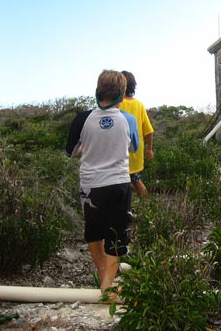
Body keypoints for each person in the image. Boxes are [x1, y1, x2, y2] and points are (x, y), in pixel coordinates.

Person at [65, 70, 139, 301]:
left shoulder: (82, 118)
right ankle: (108, 285)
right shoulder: (128, 119)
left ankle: (104, 278)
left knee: (94, 231)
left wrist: (88, 145)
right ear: (122, 93)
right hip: (118, 183)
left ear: (98, 91)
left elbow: (71, 151)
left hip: (90, 185)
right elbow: (134, 147)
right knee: (117, 235)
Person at [120, 70, 154, 198]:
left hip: (120, 151)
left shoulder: (116, 104)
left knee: (125, 181)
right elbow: (149, 131)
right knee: (135, 179)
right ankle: (147, 206)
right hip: (136, 151)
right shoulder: (139, 104)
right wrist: (149, 149)